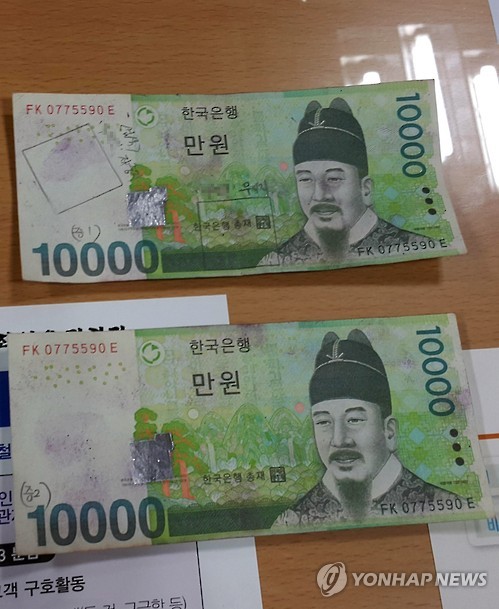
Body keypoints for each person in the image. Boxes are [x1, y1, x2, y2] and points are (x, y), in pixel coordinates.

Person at [274, 330, 459, 526]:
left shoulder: (445, 506)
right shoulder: (293, 521)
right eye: (323, 422)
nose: (339, 440)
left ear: (389, 431)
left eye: (354, 420)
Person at [259, 98, 421, 266]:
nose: (319, 195)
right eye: (306, 179)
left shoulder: (413, 249)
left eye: (334, 178)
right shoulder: (276, 261)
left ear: (365, 188)